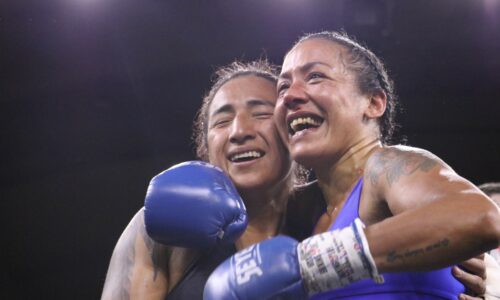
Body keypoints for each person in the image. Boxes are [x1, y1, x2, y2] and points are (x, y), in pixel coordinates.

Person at [101, 61, 486, 300]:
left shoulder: (332, 215)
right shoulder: (165, 230)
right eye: (221, 120)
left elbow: (459, 223)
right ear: (206, 147)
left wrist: (466, 276)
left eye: (260, 113)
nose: (239, 131)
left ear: (292, 131)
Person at [204, 31, 500, 300]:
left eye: (316, 76)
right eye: (283, 87)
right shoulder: (303, 210)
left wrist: (315, 261)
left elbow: (481, 218)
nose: (291, 96)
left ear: (373, 103)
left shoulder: (386, 167)